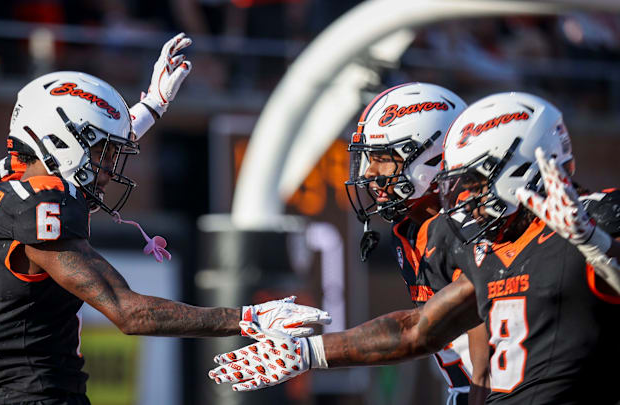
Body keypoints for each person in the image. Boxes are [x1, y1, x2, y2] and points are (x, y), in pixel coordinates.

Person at [0, 33, 331, 405]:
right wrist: (249, 318)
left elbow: (71, 147)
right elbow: (128, 312)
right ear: (59, 142)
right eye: (101, 153)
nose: (106, 170)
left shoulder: (12, 174)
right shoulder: (38, 207)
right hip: (37, 397)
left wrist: (152, 105)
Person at [208, 92, 620, 404]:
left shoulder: (601, 217)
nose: (461, 201)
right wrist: (308, 351)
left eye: (472, 183)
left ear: (521, 166)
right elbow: (421, 329)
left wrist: (598, 246)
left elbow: (437, 340)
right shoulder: (490, 240)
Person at [343, 82, 487, 404]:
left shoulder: (464, 228)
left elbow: (469, 324)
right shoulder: (410, 230)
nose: (369, 172)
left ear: (433, 158)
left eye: (382, 158)